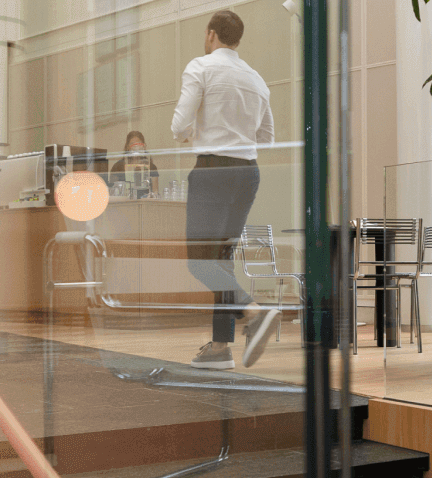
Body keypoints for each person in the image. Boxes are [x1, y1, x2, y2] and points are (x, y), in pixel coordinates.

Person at [172, 9, 273, 370]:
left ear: (211, 34)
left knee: (200, 262)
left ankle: (254, 311)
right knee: (222, 260)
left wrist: (188, 135)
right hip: (247, 172)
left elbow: (179, 122)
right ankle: (220, 347)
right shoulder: (257, 79)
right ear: (238, 39)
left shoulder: (200, 67)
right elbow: (267, 136)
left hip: (213, 170)